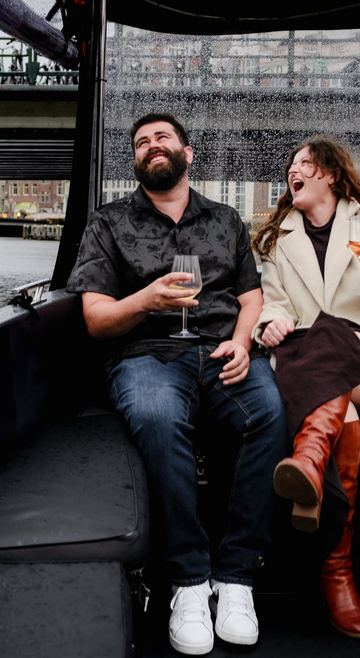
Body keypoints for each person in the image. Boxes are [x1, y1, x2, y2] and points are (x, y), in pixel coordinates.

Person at [66, 112, 286, 656]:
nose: (151, 146)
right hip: (146, 354)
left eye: (163, 138)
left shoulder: (226, 219)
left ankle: (236, 579)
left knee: (269, 411)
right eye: (141, 142)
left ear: (189, 154)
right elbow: (96, 320)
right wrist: (148, 300)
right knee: (159, 417)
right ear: (136, 161)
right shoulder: (108, 222)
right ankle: (188, 581)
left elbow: (251, 295)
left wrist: (241, 340)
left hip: (219, 349)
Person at [251, 136, 360, 639]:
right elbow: (276, 303)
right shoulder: (281, 237)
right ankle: (338, 574)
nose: (294, 171)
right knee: (341, 415)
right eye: (291, 165)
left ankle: (307, 457)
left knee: (332, 332)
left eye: (306, 163)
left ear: (329, 174)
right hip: (315, 367)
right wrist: (271, 325)